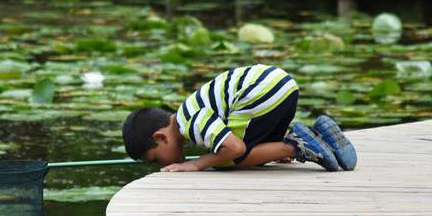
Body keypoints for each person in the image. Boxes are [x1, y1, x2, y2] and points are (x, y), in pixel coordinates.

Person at [122, 63, 357, 173]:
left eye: (155, 159)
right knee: (233, 150)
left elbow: (234, 148)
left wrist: (196, 164)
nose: (162, 165)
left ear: (161, 137)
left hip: (260, 93)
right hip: (284, 87)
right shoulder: (189, 109)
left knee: (225, 161)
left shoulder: (189, 122)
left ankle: (296, 146)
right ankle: (322, 134)